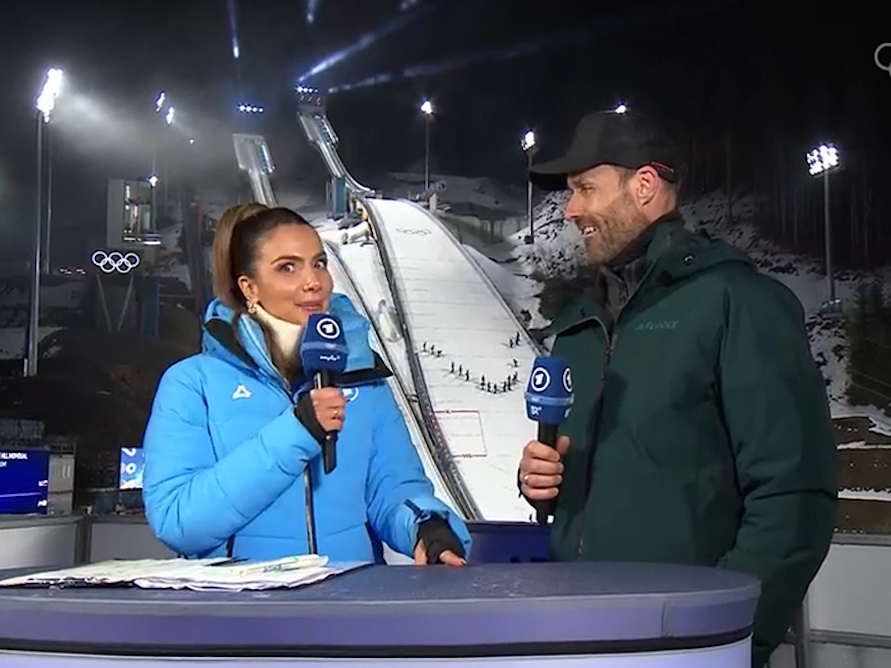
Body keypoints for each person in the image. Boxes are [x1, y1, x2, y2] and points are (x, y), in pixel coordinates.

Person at [517, 112, 837, 667]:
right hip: (576, 636)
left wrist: (724, 638)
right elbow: (609, 477)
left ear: (644, 186)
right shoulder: (578, 325)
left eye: (585, 189)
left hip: (682, 647)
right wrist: (543, 483)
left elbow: (794, 497)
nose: (570, 212)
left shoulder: (737, 304)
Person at [143, 203, 470, 566]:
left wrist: (426, 528)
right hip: (240, 614)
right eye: (287, 267)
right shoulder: (192, 384)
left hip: (349, 607)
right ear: (248, 287)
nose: (313, 281)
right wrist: (296, 432)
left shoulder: (362, 378)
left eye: (319, 263)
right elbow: (178, 522)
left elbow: (394, 488)